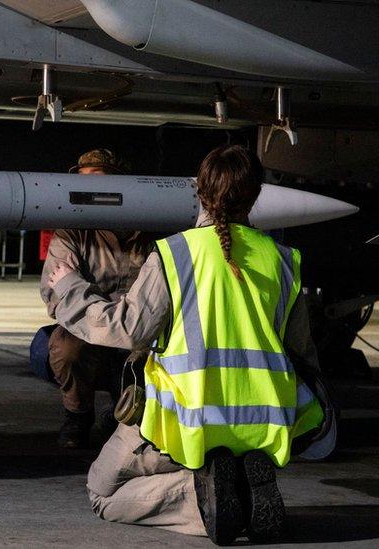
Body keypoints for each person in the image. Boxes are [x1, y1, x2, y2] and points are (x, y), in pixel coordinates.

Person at [48, 144, 332, 545]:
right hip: (264, 431)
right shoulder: (284, 261)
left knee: (102, 492)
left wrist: (68, 288)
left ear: (200, 192)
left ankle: (202, 496)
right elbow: (302, 354)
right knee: (214, 456)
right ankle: (233, 481)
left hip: (184, 424)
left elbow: (127, 329)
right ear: (254, 197)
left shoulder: (175, 254)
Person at [40, 148, 155, 449]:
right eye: (83, 181)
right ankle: (77, 413)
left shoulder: (152, 231)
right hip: (90, 334)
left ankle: (122, 414)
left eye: (98, 180)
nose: (88, 189)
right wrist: (110, 315)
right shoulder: (72, 233)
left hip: (138, 338)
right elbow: (54, 295)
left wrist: (80, 290)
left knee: (136, 427)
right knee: (65, 347)